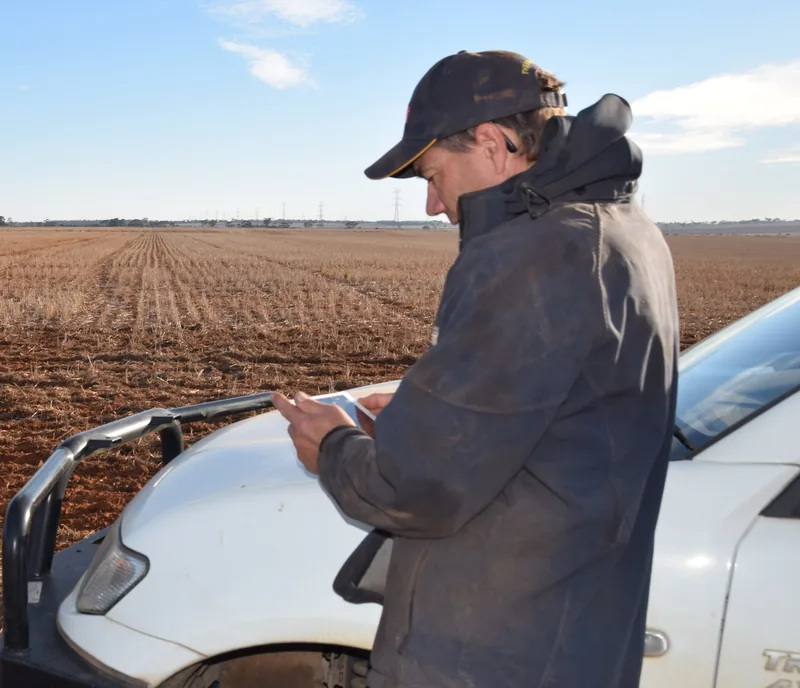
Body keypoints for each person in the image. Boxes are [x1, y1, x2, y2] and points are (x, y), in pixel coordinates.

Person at [272, 49, 680, 688]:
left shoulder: (531, 255)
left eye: (434, 175)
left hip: (489, 649)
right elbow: (560, 415)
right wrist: (425, 415)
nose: (434, 204)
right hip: (574, 636)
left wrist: (332, 447)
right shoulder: (625, 230)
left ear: (491, 144)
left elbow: (416, 492)